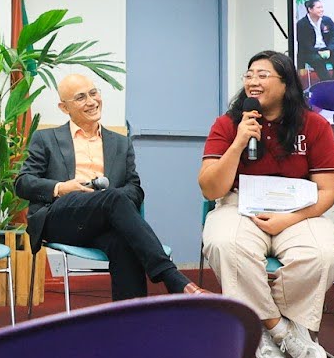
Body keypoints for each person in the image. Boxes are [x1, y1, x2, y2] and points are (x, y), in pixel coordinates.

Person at [199, 50, 334, 358]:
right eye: (249, 74)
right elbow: (210, 189)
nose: (253, 81)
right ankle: (278, 330)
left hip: (298, 208)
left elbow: (327, 191)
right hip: (239, 204)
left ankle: (276, 321)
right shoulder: (228, 124)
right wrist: (238, 143)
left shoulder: (314, 125)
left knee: (325, 253)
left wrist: (290, 219)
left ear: (286, 83)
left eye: (263, 75)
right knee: (225, 245)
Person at [14, 73, 205, 299]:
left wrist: (108, 197)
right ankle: (172, 277)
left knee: (124, 242)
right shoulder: (45, 138)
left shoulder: (120, 143)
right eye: (81, 97)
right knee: (113, 199)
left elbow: (135, 189)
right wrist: (62, 187)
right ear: (64, 107)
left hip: (103, 221)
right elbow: (23, 183)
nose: (92, 101)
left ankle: (129, 325)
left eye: (94, 93)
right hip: (61, 217)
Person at [295, 0, 334, 82]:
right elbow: (303, 43)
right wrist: (301, 65)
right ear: (310, 9)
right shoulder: (302, 24)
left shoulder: (327, 20)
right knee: (318, 61)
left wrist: (329, 49)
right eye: (318, 8)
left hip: (328, 49)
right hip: (312, 52)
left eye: (322, 7)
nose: (321, 10)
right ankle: (327, 83)